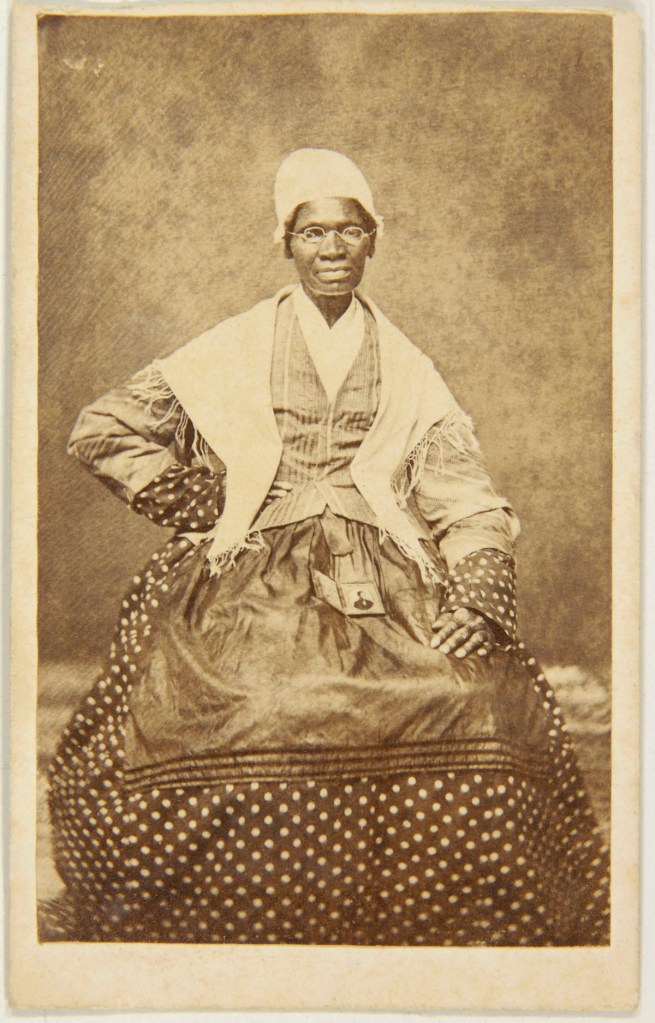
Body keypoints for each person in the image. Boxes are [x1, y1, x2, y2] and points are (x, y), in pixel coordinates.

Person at [43, 148, 609, 946]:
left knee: (467, 696)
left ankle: (418, 904)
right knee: (255, 706)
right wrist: (209, 500)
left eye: (349, 230)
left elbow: (463, 493)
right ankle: (246, 903)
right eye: (313, 232)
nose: (332, 248)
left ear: (372, 239)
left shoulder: (407, 366)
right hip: (251, 571)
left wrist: (476, 593)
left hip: (383, 568)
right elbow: (101, 430)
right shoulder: (237, 344)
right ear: (286, 242)